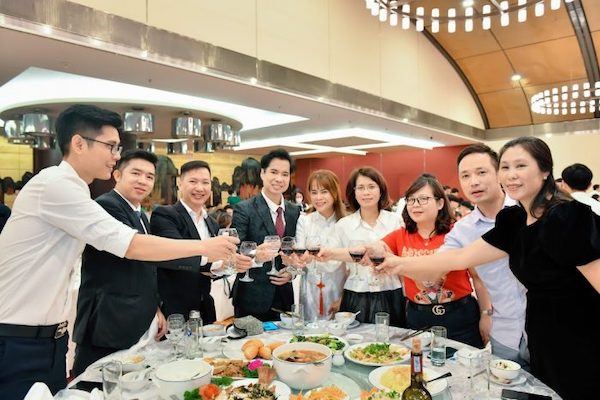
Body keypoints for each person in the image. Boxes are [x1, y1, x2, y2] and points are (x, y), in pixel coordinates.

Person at [0, 104, 249, 399]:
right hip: (19, 337)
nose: (116, 155)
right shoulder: (55, 185)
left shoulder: (78, 190)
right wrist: (204, 247)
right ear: (79, 144)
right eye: (111, 146)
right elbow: (131, 246)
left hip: (49, 337)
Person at [375, 137, 600, 399]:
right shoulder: (514, 220)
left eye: (521, 166)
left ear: (545, 170)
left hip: (578, 336)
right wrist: (397, 263)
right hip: (541, 335)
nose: (511, 175)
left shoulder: (568, 217)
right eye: (506, 167)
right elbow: (460, 258)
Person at [72, 150, 167, 376]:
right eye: (136, 173)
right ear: (117, 175)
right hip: (107, 321)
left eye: (149, 176)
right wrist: (204, 249)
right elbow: (135, 251)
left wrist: (155, 306)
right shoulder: (106, 206)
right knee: (94, 383)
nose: (143, 181)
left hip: (132, 319)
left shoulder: (140, 214)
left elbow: (143, 269)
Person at [440, 144, 528, 367]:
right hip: (504, 334)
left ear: (499, 174)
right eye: (465, 176)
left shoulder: (529, 212)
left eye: (481, 172)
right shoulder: (463, 230)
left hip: (548, 331)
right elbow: (438, 262)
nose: (474, 182)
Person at [381, 174, 484, 348]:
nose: (415, 205)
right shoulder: (400, 235)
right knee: (420, 363)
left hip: (460, 317)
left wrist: (487, 314)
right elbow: (375, 249)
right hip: (419, 318)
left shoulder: (457, 232)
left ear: (440, 203)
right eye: (411, 200)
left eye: (423, 199)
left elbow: (478, 277)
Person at [322, 167, 404, 326]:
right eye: (360, 188)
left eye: (371, 187)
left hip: (391, 291)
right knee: (354, 339)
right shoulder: (343, 225)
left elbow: (403, 259)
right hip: (356, 293)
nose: (366, 192)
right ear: (353, 192)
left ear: (381, 190)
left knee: (393, 339)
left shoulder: (395, 221)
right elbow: (332, 264)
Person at [151, 160, 228, 324]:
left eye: (205, 182)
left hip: (205, 306)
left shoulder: (212, 223)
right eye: (193, 181)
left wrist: (225, 265)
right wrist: (214, 264)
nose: (200, 188)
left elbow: (215, 264)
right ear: (180, 184)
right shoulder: (165, 215)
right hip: (174, 308)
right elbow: (175, 256)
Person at [231, 148, 301, 321]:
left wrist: (291, 272)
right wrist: (256, 255)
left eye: (285, 174)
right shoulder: (244, 209)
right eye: (274, 172)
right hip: (251, 297)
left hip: (284, 296)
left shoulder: (294, 211)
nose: (279, 179)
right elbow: (234, 249)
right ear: (262, 173)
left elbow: (297, 249)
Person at [294, 170, 347, 322]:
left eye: (324, 192)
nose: (318, 197)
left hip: (338, 284)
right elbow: (300, 253)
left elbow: (352, 265)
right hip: (310, 285)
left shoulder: (346, 222)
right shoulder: (305, 221)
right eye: (314, 192)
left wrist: (344, 297)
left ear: (334, 193)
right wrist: (298, 260)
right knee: (310, 327)